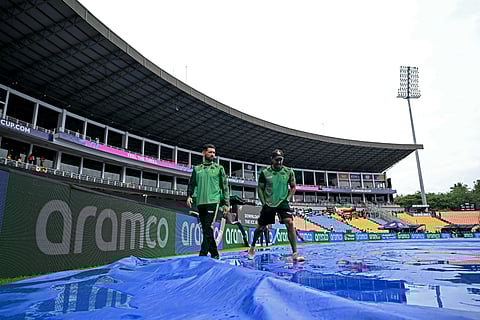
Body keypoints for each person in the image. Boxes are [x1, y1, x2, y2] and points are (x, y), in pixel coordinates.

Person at [248, 149, 305, 262]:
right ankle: (252, 247)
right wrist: (264, 203)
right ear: (272, 159)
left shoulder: (289, 172)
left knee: (290, 223)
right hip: (269, 203)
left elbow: (293, 187)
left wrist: (288, 199)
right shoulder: (265, 172)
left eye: (281, 160)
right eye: (277, 160)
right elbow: (260, 188)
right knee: (261, 227)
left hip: (283, 202)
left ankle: (294, 254)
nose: (279, 162)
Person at [186, 144, 229, 259]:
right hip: (200, 202)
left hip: (213, 202)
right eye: (210, 152)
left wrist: (226, 203)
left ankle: (202, 255)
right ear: (203, 153)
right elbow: (192, 183)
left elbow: (225, 187)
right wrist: (189, 196)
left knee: (207, 228)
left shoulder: (219, 168)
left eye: (214, 153)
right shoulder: (197, 169)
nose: (212, 155)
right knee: (207, 229)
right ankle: (214, 253)